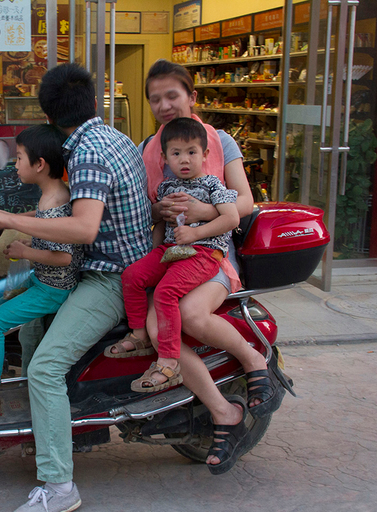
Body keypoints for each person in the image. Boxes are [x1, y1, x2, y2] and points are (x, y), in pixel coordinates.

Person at [0, 63, 152, 512]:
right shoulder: (115, 136)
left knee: (46, 367)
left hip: (111, 278)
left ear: (49, 113)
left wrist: (7, 221)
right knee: (27, 328)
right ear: (91, 101)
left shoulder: (87, 153)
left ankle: (58, 486)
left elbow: (83, 228)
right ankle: (44, 428)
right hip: (116, 265)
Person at [108, 59, 281, 474]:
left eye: (172, 95)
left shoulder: (220, 140)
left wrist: (202, 210)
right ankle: (223, 412)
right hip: (170, 254)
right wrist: (158, 208)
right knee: (154, 326)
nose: (165, 105)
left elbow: (243, 202)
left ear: (191, 97)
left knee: (187, 313)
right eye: (156, 99)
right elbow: (143, 210)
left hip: (214, 257)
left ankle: (256, 362)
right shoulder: (149, 149)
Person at [0, 125, 81, 423]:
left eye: (20, 158)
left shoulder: (57, 203)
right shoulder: (54, 194)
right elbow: (40, 221)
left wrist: (26, 253)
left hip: (52, 289)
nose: (15, 164)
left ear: (39, 165)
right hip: (41, 279)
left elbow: (64, 256)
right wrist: (6, 222)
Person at [109, 117, 239, 395]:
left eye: (192, 152)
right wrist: (151, 258)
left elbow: (231, 218)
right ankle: (140, 335)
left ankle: (169, 360)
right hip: (170, 251)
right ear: (165, 157)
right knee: (132, 276)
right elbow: (162, 226)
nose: (184, 159)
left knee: (165, 293)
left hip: (203, 253)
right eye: (176, 153)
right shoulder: (166, 188)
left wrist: (195, 233)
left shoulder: (213, 185)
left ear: (205, 155)